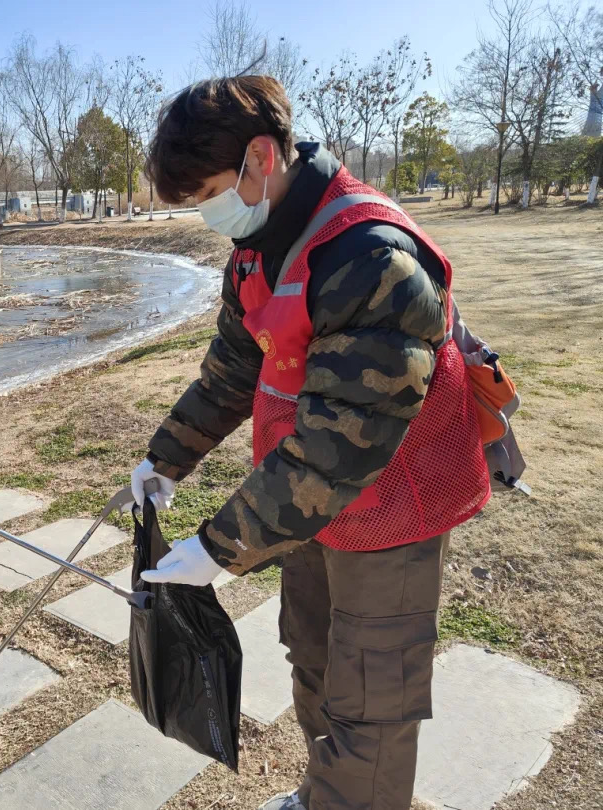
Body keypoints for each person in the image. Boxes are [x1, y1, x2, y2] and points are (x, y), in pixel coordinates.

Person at [130, 77, 491, 810]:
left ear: (261, 158)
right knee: (315, 656)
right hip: (305, 509)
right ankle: (326, 794)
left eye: (205, 193)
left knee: (372, 696)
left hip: (390, 506)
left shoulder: (371, 259)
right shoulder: (257, 246)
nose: (205, 213)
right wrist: (166, 456)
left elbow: (342, 448)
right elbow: (234, 369)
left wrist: (219, 547)